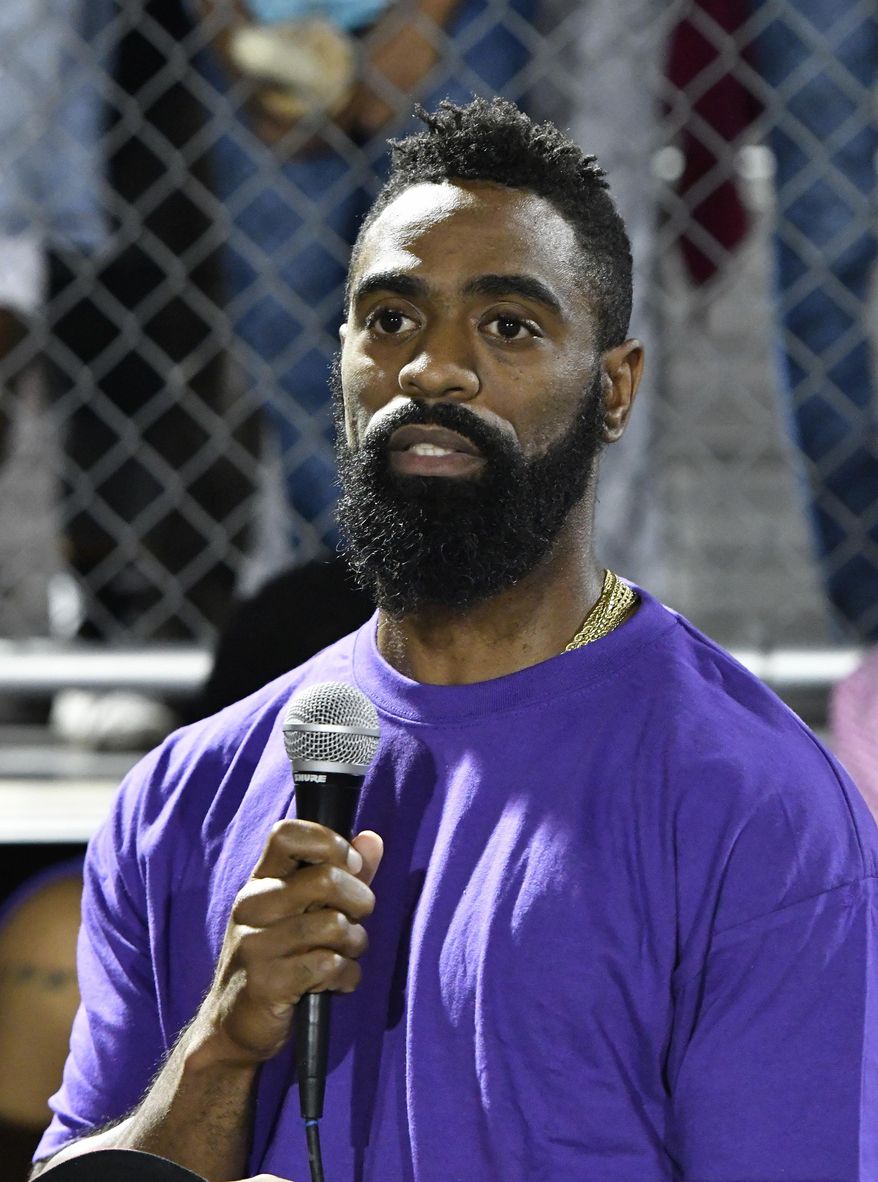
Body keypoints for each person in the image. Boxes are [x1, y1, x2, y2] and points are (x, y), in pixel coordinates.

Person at [31, 99, 878, 1180]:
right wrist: (218, 1050)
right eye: (390, 319)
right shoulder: (183, 796)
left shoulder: (754, 807)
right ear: (341, 360)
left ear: (614, 388)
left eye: (508, 326)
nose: (433, 369)